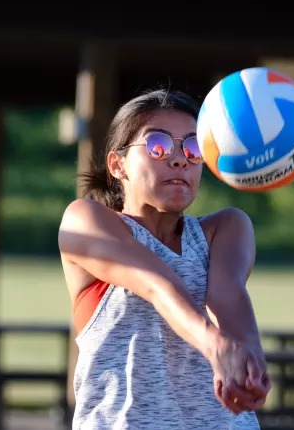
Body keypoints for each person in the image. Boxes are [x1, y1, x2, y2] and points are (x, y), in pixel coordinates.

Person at [58, 89, 271, 430]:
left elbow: (227, 295)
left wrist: (250, 358)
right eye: (158, 145)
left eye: (193, 148)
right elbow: (157, 285)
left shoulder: (228, 227)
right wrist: (216, 346)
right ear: (118, 165)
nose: (180, 159)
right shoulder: (84, 220)